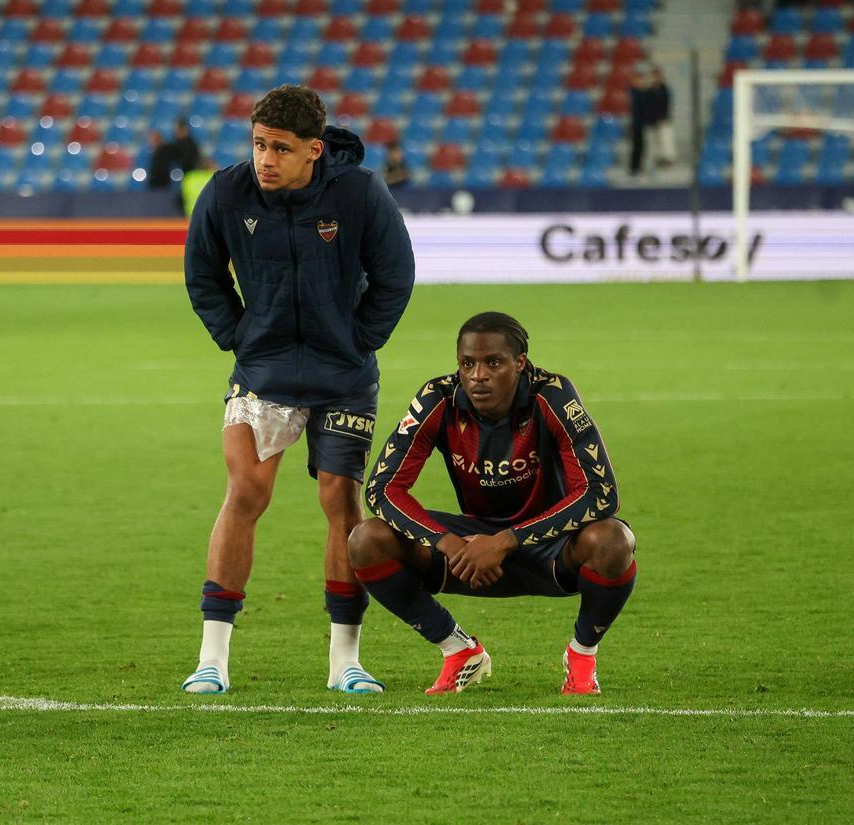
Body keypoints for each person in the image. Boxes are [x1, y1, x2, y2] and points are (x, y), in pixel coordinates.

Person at [182, 85, 417, 695]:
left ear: (314, 150)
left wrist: (358, 339)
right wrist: (238, 335)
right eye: (258, 144)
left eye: (280, 149)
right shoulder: (227, 193)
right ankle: (212, 659)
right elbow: (201, 272)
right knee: (245, 492)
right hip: (263, 376)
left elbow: (396, 275)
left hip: (343, 380)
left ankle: (345, 662)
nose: (264, 159)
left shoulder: (361, 193)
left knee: (342, 503)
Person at [347, 312, 637, 695]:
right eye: (467, 364)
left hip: (551, 545)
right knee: (366, 539)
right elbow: (382, 489)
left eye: (493, 363)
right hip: (470, 548)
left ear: (520, 364)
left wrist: (505, 541)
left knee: (613, 540)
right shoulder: (438, 397)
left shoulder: (552, 395)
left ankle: (582, 654)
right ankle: (458, 650)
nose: (477, 375)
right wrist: (448, 543)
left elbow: (601, 492)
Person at [147, 118, 203, 191]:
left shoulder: (188, 146)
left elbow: (188, 162)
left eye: (177, 129)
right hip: (184, 180)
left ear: (184, 130)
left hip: (190, 180)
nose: (175, 132)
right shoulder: (176, 145)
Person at [645, 65, 676, 169]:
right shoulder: (649, 90)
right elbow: (647, 105)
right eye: (653, 76)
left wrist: (662, 118)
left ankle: (668, 159)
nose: (655, 78)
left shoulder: (665, 89)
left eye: (657, 76)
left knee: (666, 139)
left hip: (664, 119)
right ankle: (658, 159)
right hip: (652, 119)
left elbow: (666, 104)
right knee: (655, 140)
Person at [628, 69, 651, 176]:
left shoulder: (641, 92)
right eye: (638, 79)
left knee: (642, 146)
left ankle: (639, 167)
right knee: (637, 146)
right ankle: (634, 168)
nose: (640, 82)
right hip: (636, 123)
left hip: (642, 122)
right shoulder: (633, 92)